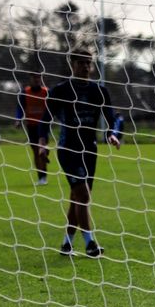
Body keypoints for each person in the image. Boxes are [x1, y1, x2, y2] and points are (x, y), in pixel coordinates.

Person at [48, 50, 124, 257]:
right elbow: (45, 119)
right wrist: (41, 144)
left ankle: (66, 244)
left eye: (88, 63)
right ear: (72, 64)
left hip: (90, 150)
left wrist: (112, 134)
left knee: (78, 198)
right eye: (81, 63)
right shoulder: (60, 90)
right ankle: (90, 244)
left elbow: (113, 116)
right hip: (67, 149)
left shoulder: (98, 91)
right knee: (82, 194)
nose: (86, 67)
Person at [16, 73, 51, 185]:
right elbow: (20, 108)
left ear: (41, 79)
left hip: (43, 126)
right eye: (34, 77)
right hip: (31, 126)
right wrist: (18, 119)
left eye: (38, 77)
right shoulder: (25, 93)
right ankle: (41, 177)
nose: (36, 79)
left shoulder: (46, 92)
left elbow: (53, 107)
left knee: (42, 151)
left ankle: (43, 176)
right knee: (36, 152)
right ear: (30, 79)